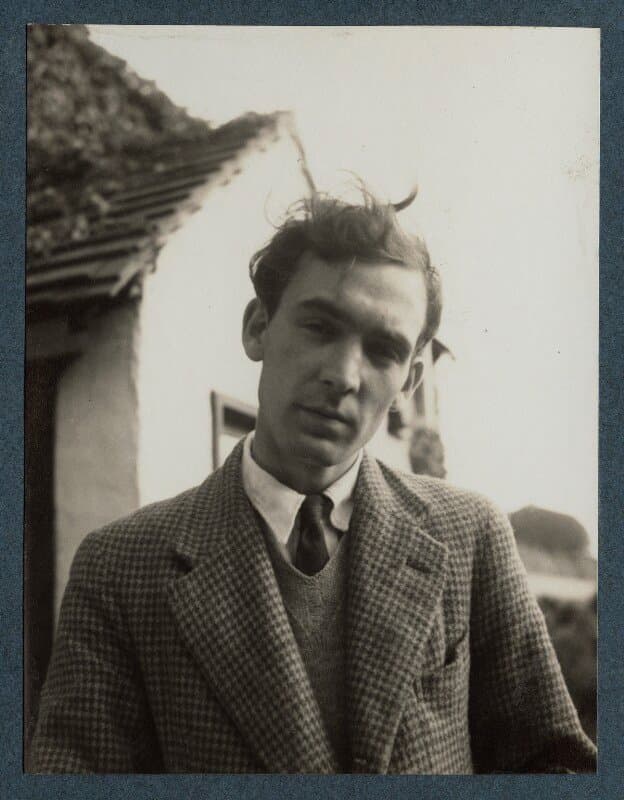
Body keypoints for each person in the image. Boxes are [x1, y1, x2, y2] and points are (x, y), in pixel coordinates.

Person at [29, 188, 596, 774]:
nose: (344, 375)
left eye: (383, 350)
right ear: (258, 328)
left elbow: (556, 766)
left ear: (410, 380)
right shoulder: (121, 567)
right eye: (321, 327)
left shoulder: (469, 536)